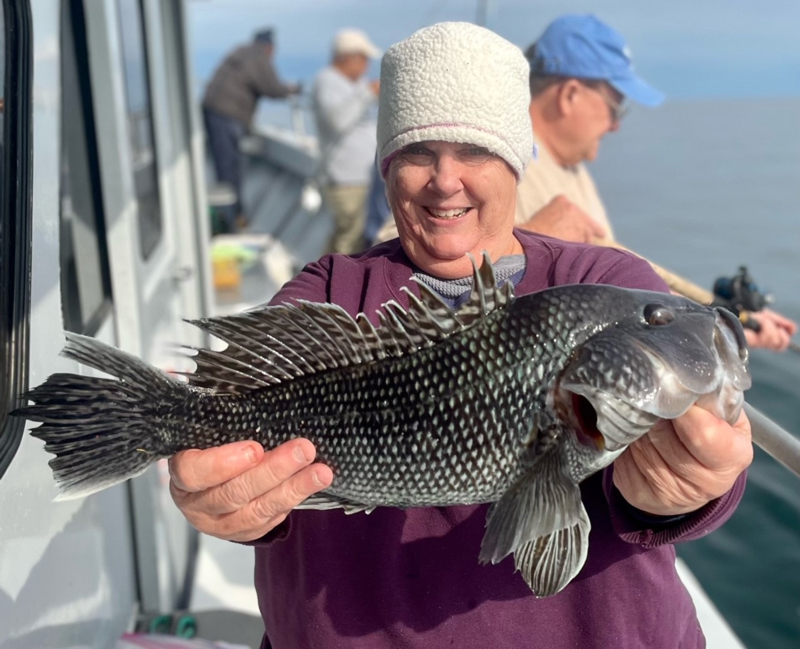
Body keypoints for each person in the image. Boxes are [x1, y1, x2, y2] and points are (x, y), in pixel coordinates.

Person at [169, 23, 752, 649]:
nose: (445, 180)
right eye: (417, 152)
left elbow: (703, 475)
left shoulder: (605, 282)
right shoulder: (330, 293)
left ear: (516, 159)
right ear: (387, 167)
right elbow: (249, 473)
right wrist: (229, 504)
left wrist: (682, 494)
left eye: (475, 150)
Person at [518, 14, 798, 352]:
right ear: (571, 95)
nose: (615, 127)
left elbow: (623, 283)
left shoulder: (568, 166)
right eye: (615, 109)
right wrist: (532, 241)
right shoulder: (514, 166)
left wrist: (727, 321)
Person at [202, 28, 301, 231]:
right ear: (269, 47)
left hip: (212, 111)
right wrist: (292, 89)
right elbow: (272, 88)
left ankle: (232, 215)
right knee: (230, 167)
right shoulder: (258, 57)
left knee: (225, 165)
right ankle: (231, 221)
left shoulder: (242, 51)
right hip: (227, 116)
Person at [311, 29, 381, 254]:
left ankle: (321, 282)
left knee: (346, 235)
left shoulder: (353, 84)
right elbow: (338, 121)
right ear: (348, 57)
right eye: (364, 59)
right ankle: (339, 287)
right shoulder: (327, 81)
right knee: (350, 238)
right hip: (345, 179)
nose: (366, 66)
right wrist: (367, 93)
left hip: (360, 176)